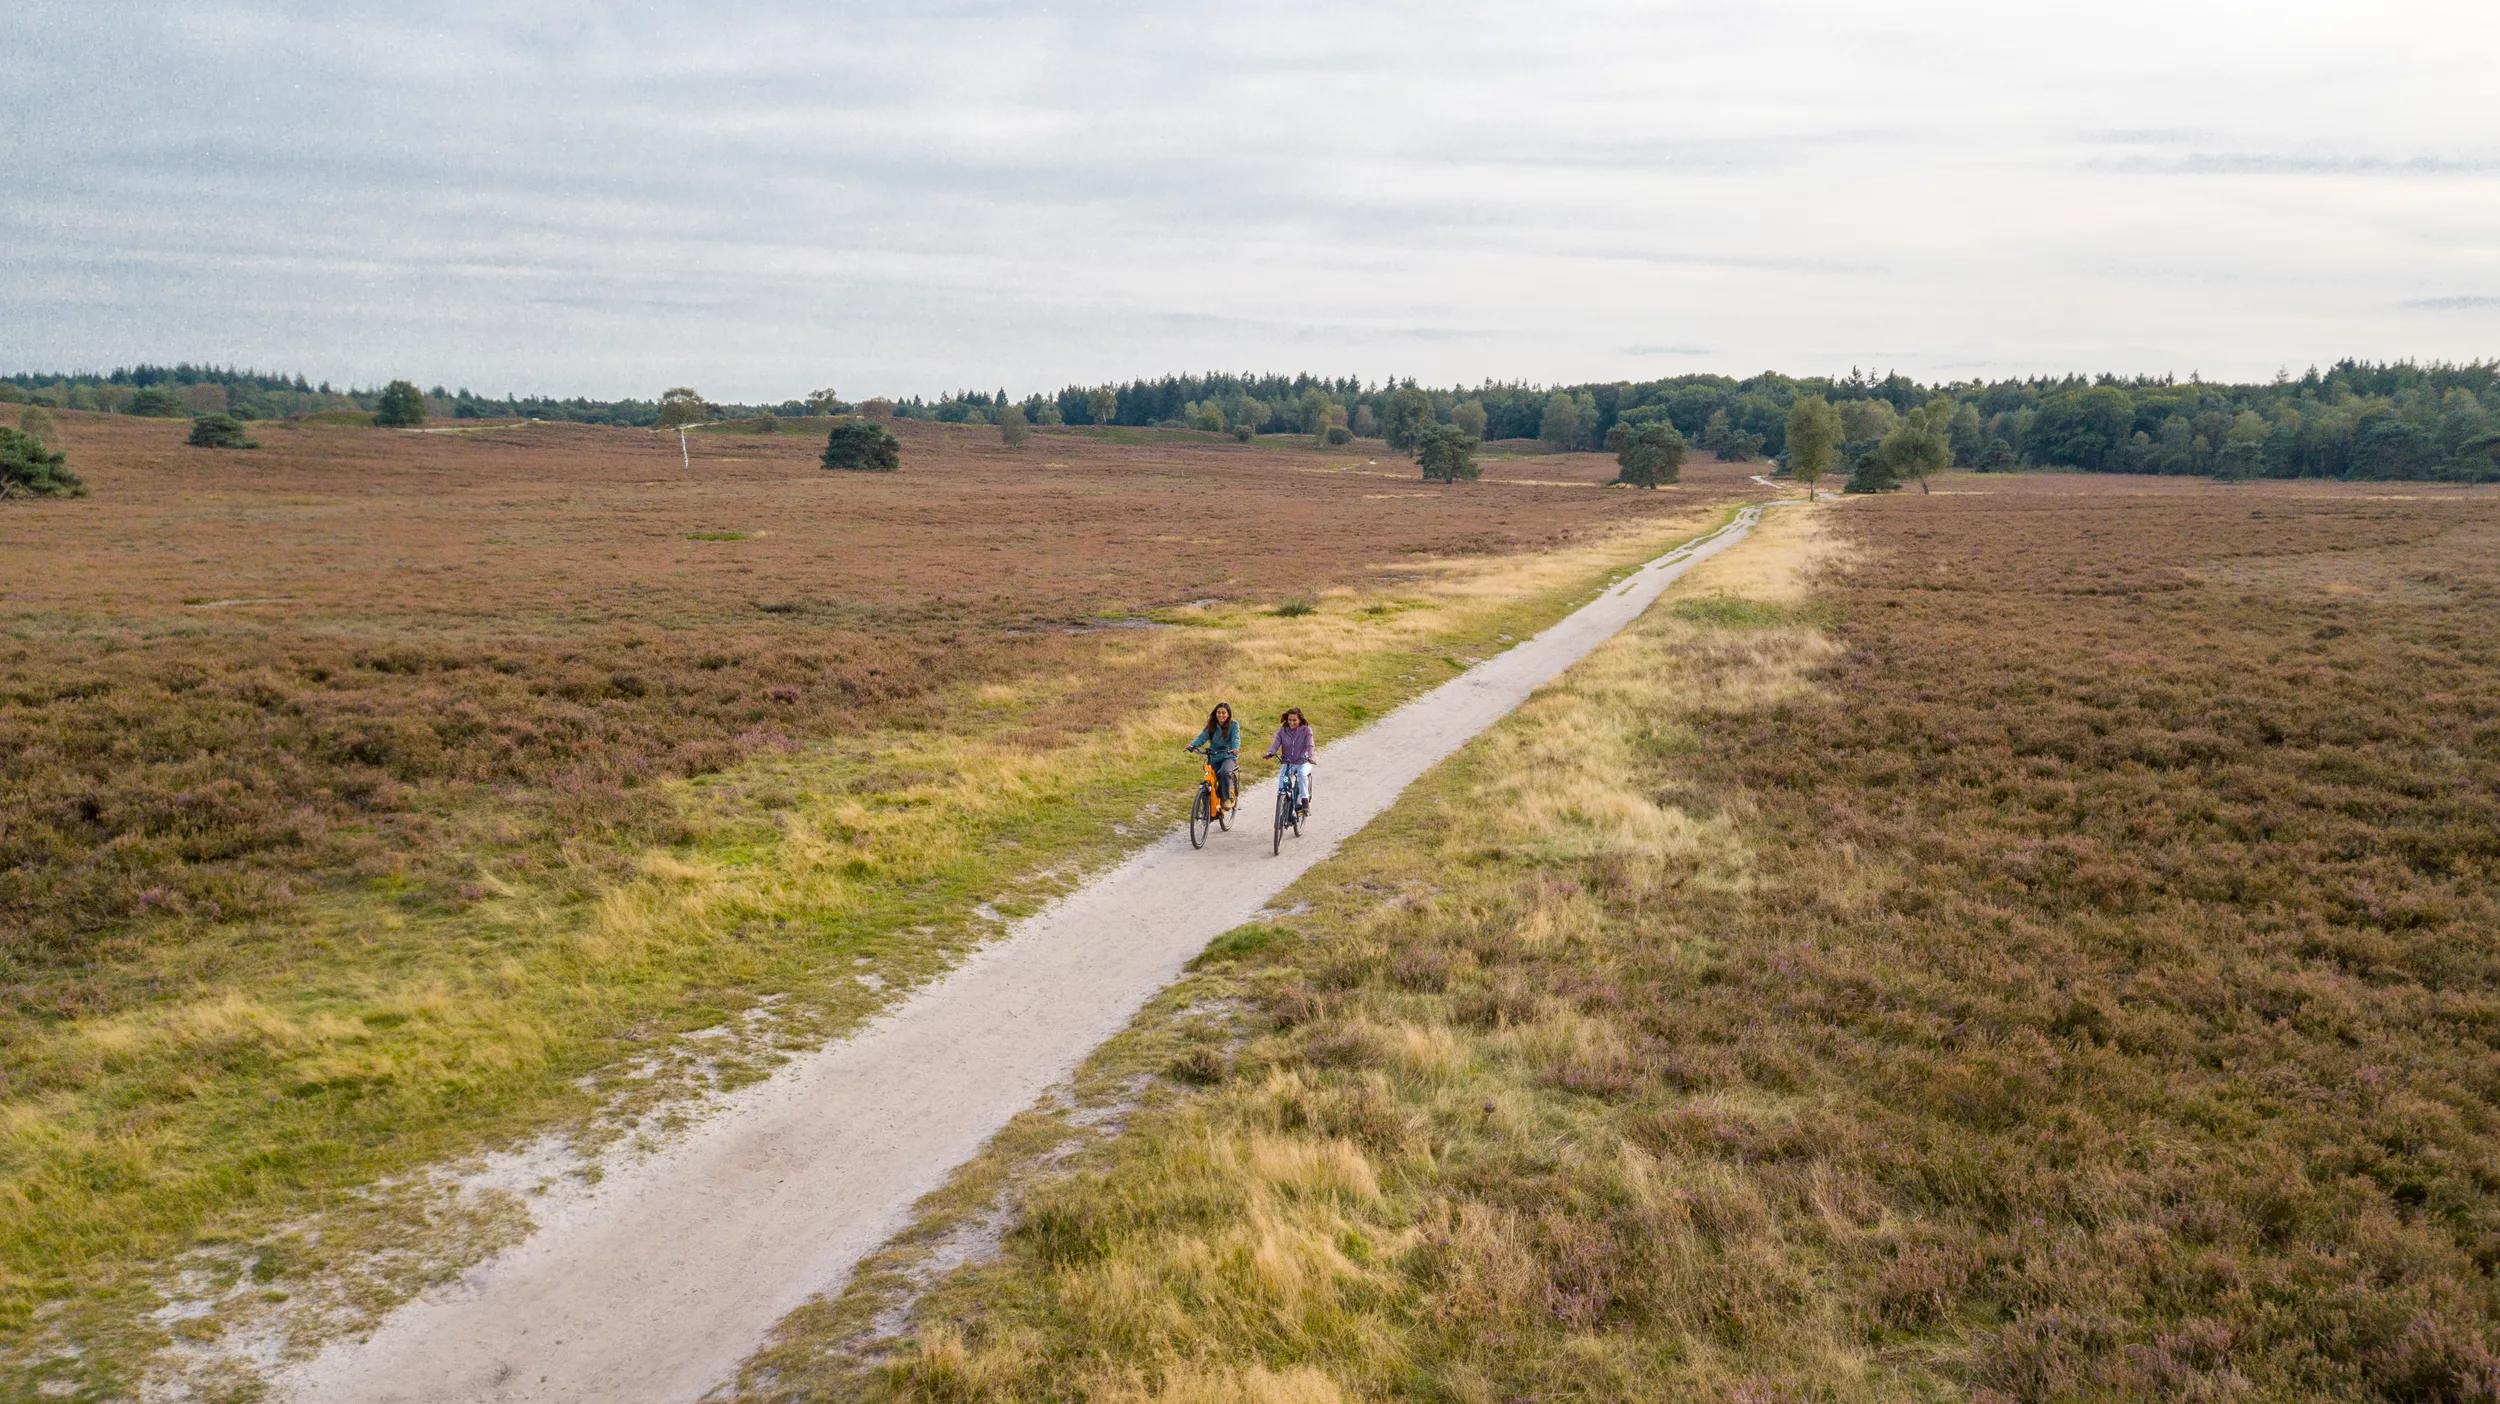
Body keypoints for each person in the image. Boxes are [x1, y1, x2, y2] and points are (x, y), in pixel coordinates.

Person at [1185, 701, 1240, 809]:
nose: (1221, 715)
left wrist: (1235, 748)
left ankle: (1226, 798)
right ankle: (1208, 811)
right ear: (1215, 713)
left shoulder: (1234, 725)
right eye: (1218, 712)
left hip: (1228, 756)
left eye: (1223, 713)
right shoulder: (1212, 725)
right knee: (1208, 780)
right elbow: (1202, 737)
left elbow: (1236, 739)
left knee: (1223, 772)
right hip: (1213, 756)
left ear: (1228, 714)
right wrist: (1192, 745)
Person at [1264, 707, 1315, 817]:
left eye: (1294, 720)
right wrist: (1270, 752)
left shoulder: (1306, 730)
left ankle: (1305, 802)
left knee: (1301, 774)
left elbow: (1310, 745)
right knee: (1283, 783)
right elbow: (1276, 744)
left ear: (1300, 720)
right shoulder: (1282, 731)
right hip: (1287, 763)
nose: (1292, 722)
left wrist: (1310, 756)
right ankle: (1284, 803)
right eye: (1289, 720)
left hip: (1303, 762)